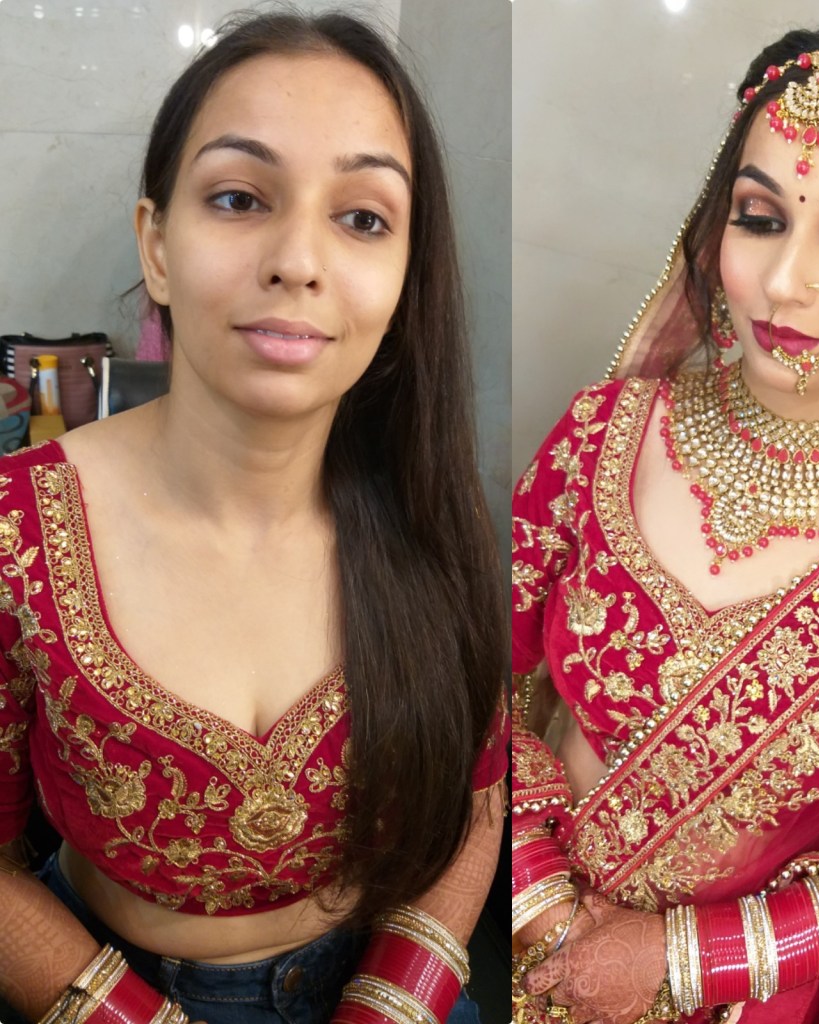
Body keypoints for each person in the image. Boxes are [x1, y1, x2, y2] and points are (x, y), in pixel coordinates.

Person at [0, 10, 508, 1024]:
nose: (298, 260)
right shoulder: (19, 530)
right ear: (157, 245)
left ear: (405, 277)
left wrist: (389, 1001)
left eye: (362, 218)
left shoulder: (427, 512)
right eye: (239, 198)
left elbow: (479, 790)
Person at [511, 28, 819, 1024]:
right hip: (524, 953)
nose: (784, 281)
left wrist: (678, 959)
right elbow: (469, 684)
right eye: (758, 217)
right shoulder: (601, 437)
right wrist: (546, 914)